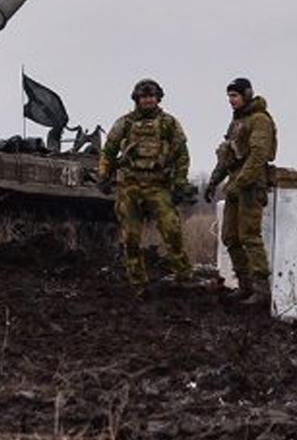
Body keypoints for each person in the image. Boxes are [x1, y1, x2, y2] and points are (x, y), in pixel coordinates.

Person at [98, 78, 192, 293]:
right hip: (130, 185)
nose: (148, 100)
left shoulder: (169, 123)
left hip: (158, 184)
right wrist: (103, 176)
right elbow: (109, 150)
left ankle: (184, 275)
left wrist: (179, 183)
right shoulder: (125, 123)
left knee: (172, 230)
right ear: (137, 99)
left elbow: (181, 155)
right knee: (130, 236)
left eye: (151, 96)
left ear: (158, 98)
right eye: (144, 97)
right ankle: (138, 281)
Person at [206, 77, 278, 306]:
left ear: (246, 95)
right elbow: (227, 156)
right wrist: (213, 181)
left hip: (251, 185)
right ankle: (245, 286)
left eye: (234, 96)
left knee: (250, 236)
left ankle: (261, 290)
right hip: (235, 184)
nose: (231, 100)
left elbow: (259, 155)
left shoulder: (260, 120)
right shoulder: (237, 122)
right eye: (229, 96)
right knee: (229, 236)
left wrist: (241, 182)